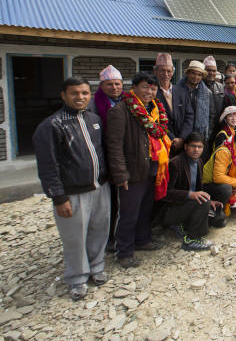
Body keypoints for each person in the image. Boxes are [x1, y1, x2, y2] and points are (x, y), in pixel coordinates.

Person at [33, 77, 110, 300]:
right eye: (75, 93)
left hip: (99, 187)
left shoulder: (94, 119)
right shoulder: (52, 125)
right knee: (74, 237)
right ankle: (77, 278)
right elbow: (48, 166)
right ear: (63, 95)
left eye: (85, 93)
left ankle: (96, 268)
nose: (80, 97)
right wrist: (58, 197)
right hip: (73, 193)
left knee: (99, 230)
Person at [106, 72, 169, 268]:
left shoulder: (156, 109)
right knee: (128, 213)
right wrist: (120, 173)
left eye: (153, 88)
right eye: (145, 87)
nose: (149, 92)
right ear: (133, 87)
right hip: (132, 170)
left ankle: (143, 239)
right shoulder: (121, 111)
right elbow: (114, 146)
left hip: (152, 167)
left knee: (145, 208)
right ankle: (123, 251)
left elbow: (159, 133)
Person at [86, 65, 123, 252]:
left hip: (124, 157)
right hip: (103, 157)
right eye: (110, 84)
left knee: (121, 199)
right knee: (107, 203)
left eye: (117, 84)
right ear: (101, 85)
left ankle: (119, 234)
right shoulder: (94, 105)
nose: (114, 88)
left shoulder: (126, 102)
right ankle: (106, 238)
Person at [160, 132, 215, 251]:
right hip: (171, 209)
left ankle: (181, 225)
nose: (196, 150)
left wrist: (210, 201)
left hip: (186, 205)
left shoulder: (199, 161)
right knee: (203, 203)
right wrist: (190, 195)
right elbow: (166, 193)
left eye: (199, 147)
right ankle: (191, 239)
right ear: (185, 147)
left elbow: (198, 188)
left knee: (217, 215)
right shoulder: (176, 163)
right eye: (193, 146)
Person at [154, 53, 194, 154]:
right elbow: (154, 120)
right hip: (161, 143)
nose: (166, 74)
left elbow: (189, 116)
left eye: (169, 71)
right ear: (156, 71)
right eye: (162, 70)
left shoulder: (182, 92)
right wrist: (171, 138)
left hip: (182, 142)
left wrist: (182, 138)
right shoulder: (152, 93)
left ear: (173, 72)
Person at [177, 61, 215, 145]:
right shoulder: (176, 90)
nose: (196, 77)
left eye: (199, 75)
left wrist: (207, 133)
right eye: (193, 73)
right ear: (188, 73)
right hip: (180, 135)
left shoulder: (207, 93)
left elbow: (211, 116)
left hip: (199, 136)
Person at [203, 56, 225, 126]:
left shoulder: (221, 87)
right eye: (208, 70)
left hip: (218, 125)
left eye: (214, 71)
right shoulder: (198, 86)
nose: (211, 73)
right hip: (203, 126)